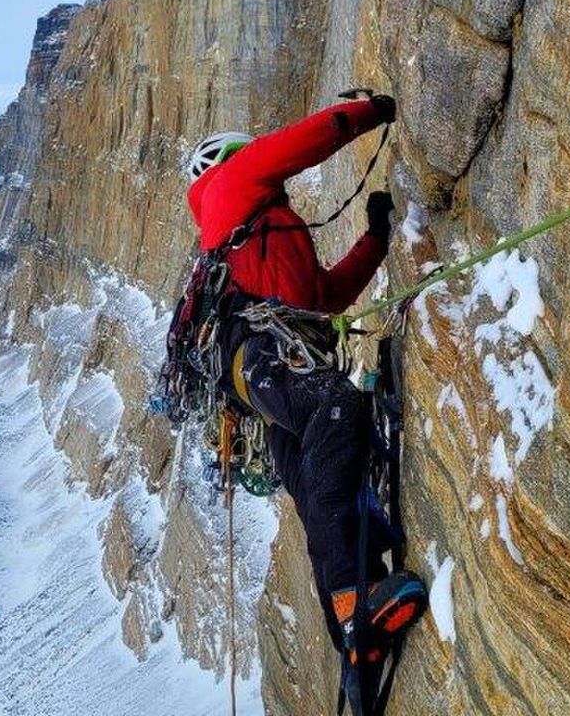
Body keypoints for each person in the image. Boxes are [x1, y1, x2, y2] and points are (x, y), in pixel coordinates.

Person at [183, 92, 428, 712]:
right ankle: (353, 601)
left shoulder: (257, 239)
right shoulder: (232, 184)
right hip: (261, 354)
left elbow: (325, 296)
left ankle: (352, 633)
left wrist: (374, 240)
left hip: (261, 370)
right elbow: (302, 142)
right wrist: (372, 111)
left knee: (321, 476)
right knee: (336, 407)